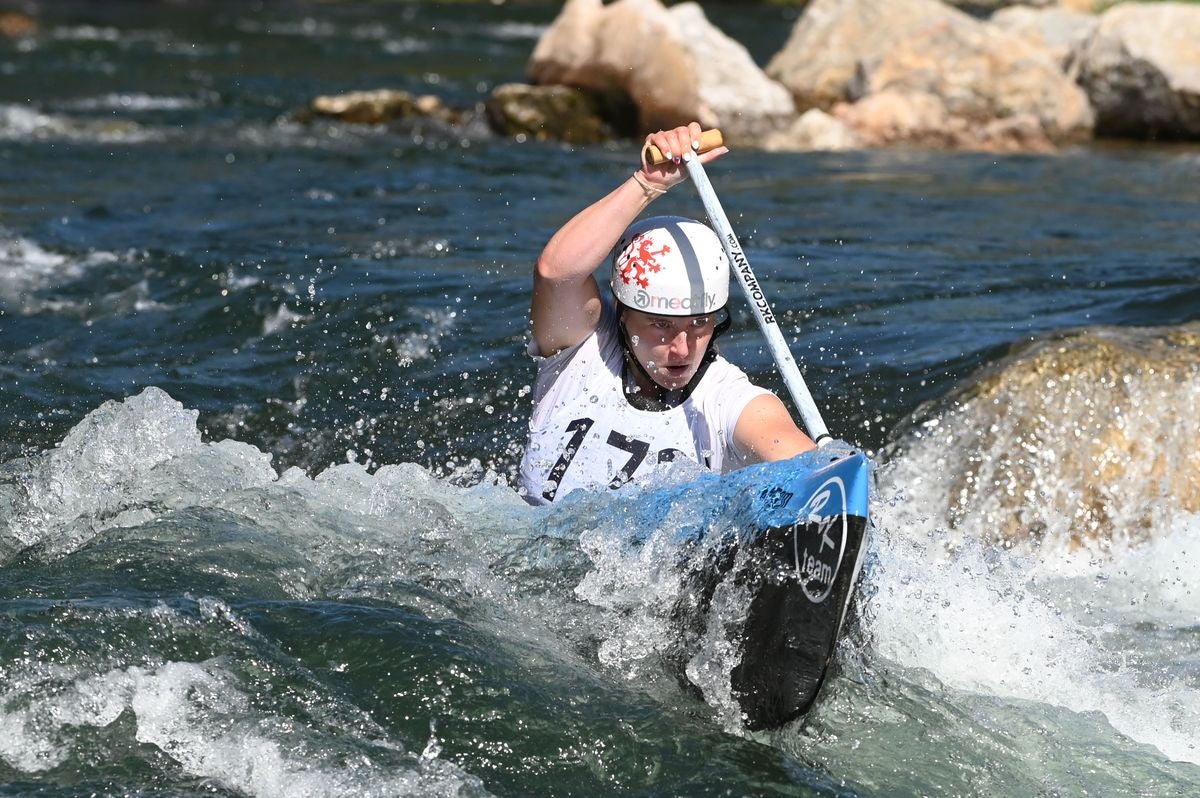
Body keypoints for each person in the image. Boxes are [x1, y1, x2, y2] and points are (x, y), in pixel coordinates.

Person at [518, 122, 815, 505]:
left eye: (698, 324)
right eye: (660, 325)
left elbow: (786, 448)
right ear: (623, 313)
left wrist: (821, 478)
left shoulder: (727, 400)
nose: (681, 349)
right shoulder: (582, 349)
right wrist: (648, 183)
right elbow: (556, 272)